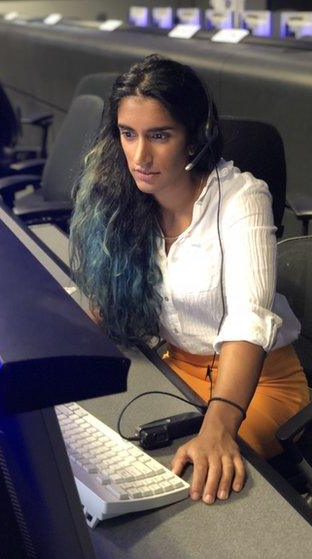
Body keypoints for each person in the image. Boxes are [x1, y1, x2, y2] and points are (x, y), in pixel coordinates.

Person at [70, 54, 309, 505]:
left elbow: (248, 319)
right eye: (128, 134)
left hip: (257, 386)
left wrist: (218, 427)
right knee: (110, 461)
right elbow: (104, 301)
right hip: (172, 368)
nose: (140, 156)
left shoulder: (243, 198)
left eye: (159, 136)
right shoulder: (122, 198)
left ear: (196, 136)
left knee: (182, 487)